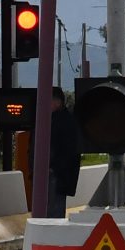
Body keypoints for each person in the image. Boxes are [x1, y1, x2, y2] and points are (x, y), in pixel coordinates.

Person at [42, 84, 83, 219]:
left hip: (57, 175)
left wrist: (53, 167)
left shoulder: (64, 122)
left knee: (54, 210)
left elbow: (68, 150)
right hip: (53, 172)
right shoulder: (51, 119)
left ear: (58, 101)